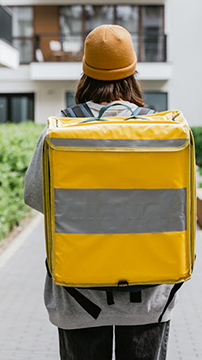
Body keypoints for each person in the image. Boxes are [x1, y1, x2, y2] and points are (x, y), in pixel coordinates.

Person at [23, 24, 177, 360]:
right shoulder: (162, 131)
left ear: (85, 74)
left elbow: (34, 195)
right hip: (148, 295)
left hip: (79, 296)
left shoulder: (61, 131)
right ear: (133, 73)